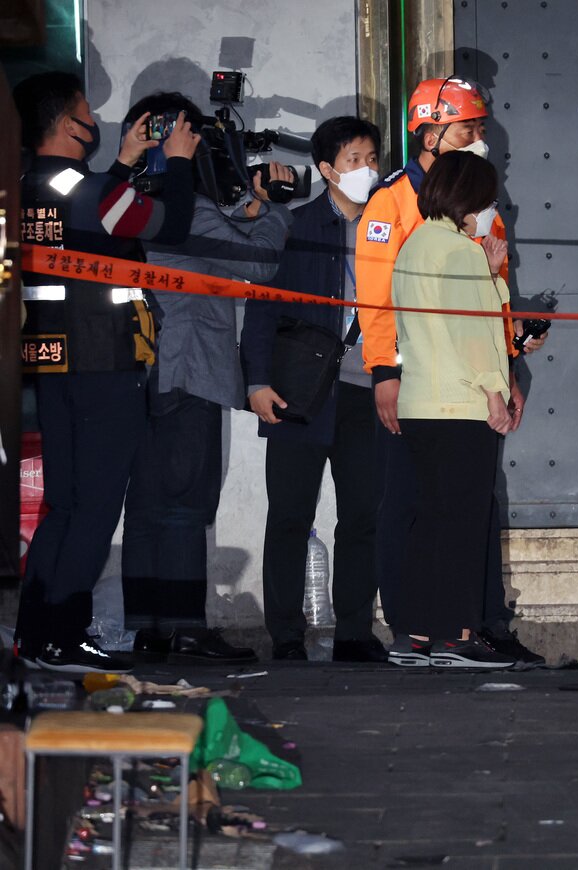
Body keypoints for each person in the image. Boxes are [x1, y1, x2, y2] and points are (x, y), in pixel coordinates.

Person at [355, 77, 546, 665]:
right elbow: (374, 297)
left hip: (466, 385)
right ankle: (421, 627)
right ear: (432, 131)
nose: (479, 140)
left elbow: (493, 300)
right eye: (469, 129)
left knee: (467, 509)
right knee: (415, 508)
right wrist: (383, 369)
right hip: (424, 386)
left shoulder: (479, 209)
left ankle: (470, 622)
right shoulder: (392, 202)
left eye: (482, 129)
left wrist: (509, 359)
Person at [13, 71, 199, 672]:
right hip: (104, 362)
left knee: (63, 508)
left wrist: (121, 164)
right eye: (86, 110)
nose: (94, 119)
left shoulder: (27, 186)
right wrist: (177, 162)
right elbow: (165, 223)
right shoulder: (82, 189)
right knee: (92, 508)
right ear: (70, 125)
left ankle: (37, 635)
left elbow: (99, 230)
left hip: (53, 361)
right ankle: (63, 639)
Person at [120, 91, 292, 665]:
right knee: (186, 506)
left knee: (145, 507)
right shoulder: (187, 211)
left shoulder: (123, 200)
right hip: (188, 370)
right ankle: (188, 629)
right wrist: (267, 207)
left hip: (136, 374)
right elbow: (258, 267)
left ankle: (150, 629)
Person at [242, 116, 391, 662]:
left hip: (367, 392)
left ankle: (354, 631)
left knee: (362, 515)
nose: (368, 170)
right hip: (299, 393)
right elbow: (261, 307)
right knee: (289, 514)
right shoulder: (293, 226)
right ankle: (284, 633)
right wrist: (257, 381)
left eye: (373, 158)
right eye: (356, 160)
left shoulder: (389, 225)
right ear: (327, 169)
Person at [386, 151, 517, 668]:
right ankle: (457, 636)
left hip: (421, 401)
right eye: (487, 198)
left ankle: (417, 635)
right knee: (462, 524)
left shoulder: (416, 244)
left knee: (430, 522)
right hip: (460, 405)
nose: (490, 208)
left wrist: (488, 271)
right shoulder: (459, 250)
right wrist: (494, 393)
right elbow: (473, 331)